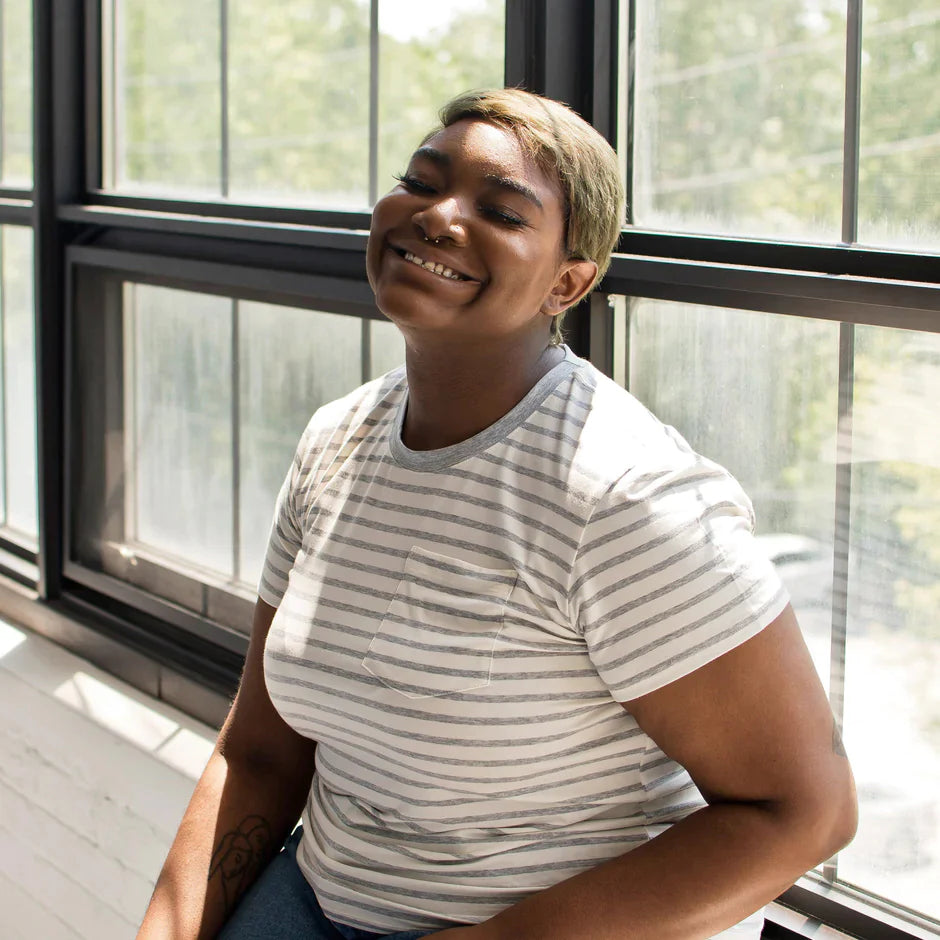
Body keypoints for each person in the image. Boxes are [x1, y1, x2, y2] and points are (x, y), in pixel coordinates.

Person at [138, 88, 857, 940]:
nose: (436, 216)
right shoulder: (335, 441)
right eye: (419, 179)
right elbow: (259, 751)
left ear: (569, 281)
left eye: (503, 210)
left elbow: (803, 812)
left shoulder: (622, 495)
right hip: (321, 899)